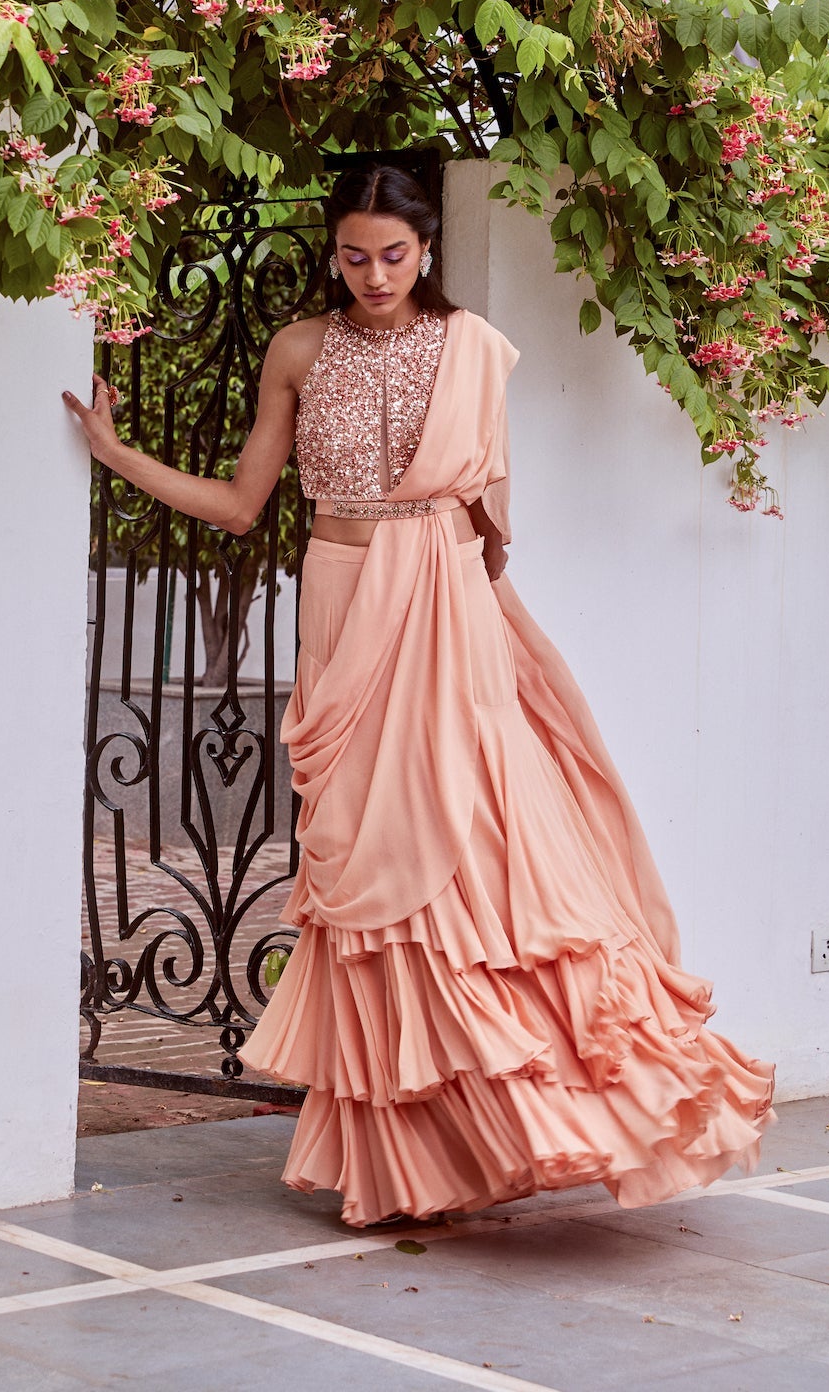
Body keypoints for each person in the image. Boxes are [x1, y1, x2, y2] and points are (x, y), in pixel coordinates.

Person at [62, 162, 776, 1230]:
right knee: (365, 870)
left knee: (477, 853)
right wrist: (118, 457)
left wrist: (488, 641)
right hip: (343, 608)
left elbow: (494, 527)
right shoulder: (298, 349)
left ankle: (545, 1114)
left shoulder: (473, 349)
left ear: (427, 250)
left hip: (444, 607)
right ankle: (406, 1162)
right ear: (332, 251)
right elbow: (245, 503)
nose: (375, 273)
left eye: (393, 255)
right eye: (354, 255)